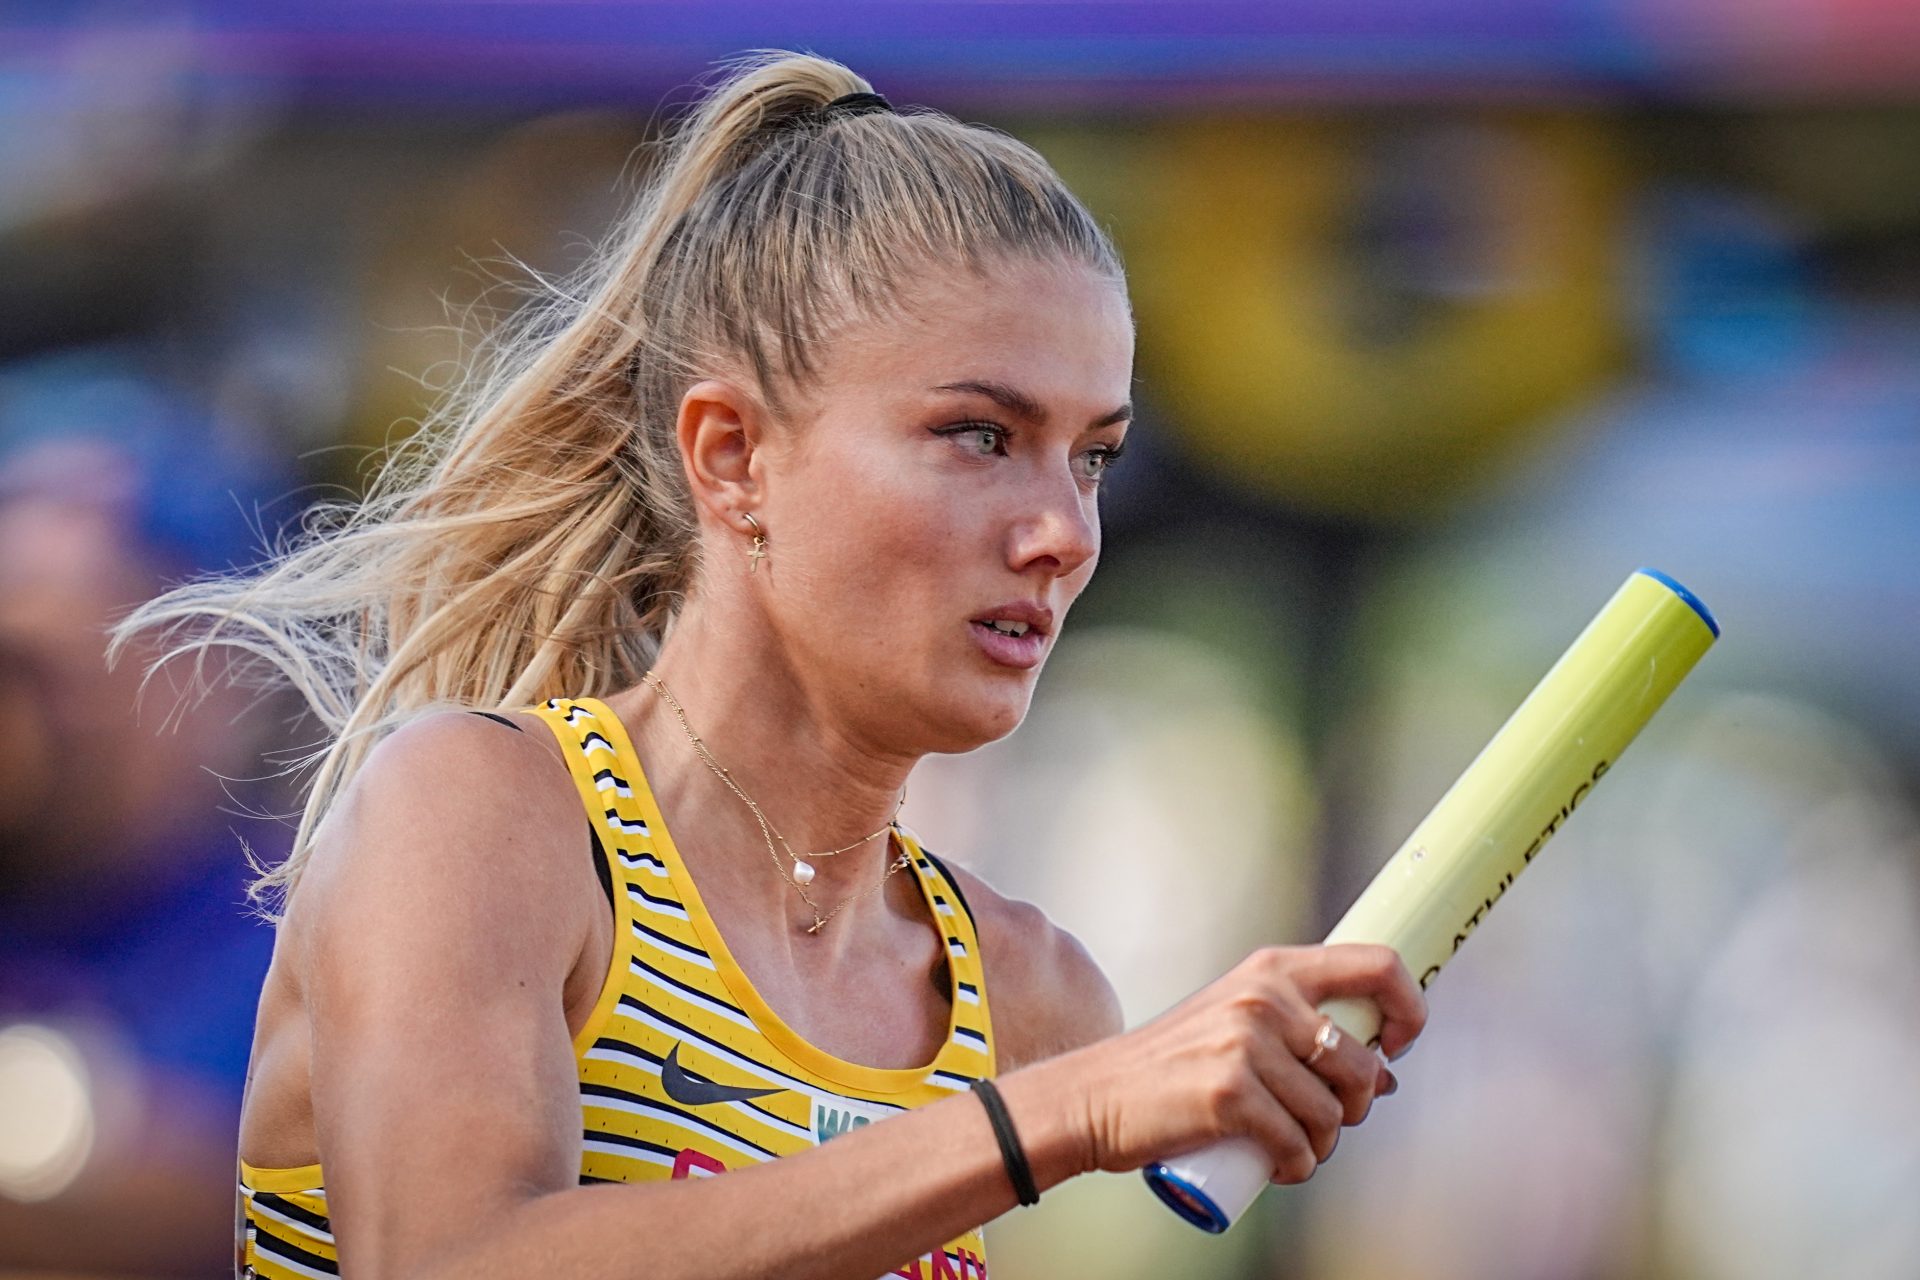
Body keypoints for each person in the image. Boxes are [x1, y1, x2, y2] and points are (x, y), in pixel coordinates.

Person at [115, 52, 1427, 1280]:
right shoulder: (485, 815)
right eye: (981, 436)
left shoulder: (1030, 992)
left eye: (1094, 455)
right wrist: (1053, 1117)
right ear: (733, 455)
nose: (1063, 533)